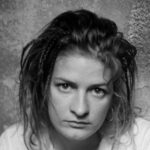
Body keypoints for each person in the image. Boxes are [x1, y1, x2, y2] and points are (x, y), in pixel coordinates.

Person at [0, 9, 150, 150]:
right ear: (43, 86)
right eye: (65, 86)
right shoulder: (13, 143)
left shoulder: (142, 140)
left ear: (114, 96)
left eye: (98, 90)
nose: (80, 110)